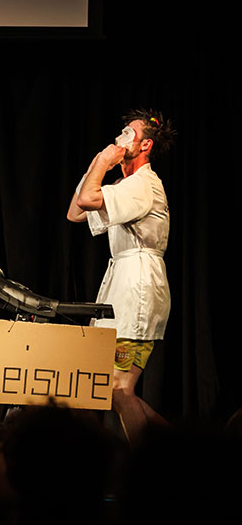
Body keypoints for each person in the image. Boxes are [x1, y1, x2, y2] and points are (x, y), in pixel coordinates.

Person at [66, 110, 174, 445]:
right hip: (123, 286)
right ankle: (183, 455)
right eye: (122, 130)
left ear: (146, 145)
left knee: (118, 388)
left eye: (130, 133)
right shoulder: (126, 185)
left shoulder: (143, 185)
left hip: (138, 290)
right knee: (112, 389)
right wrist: (98, 166)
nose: (122, 136)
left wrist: (102, 161)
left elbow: (86, 199)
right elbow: (75, 213)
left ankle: (159, 467)